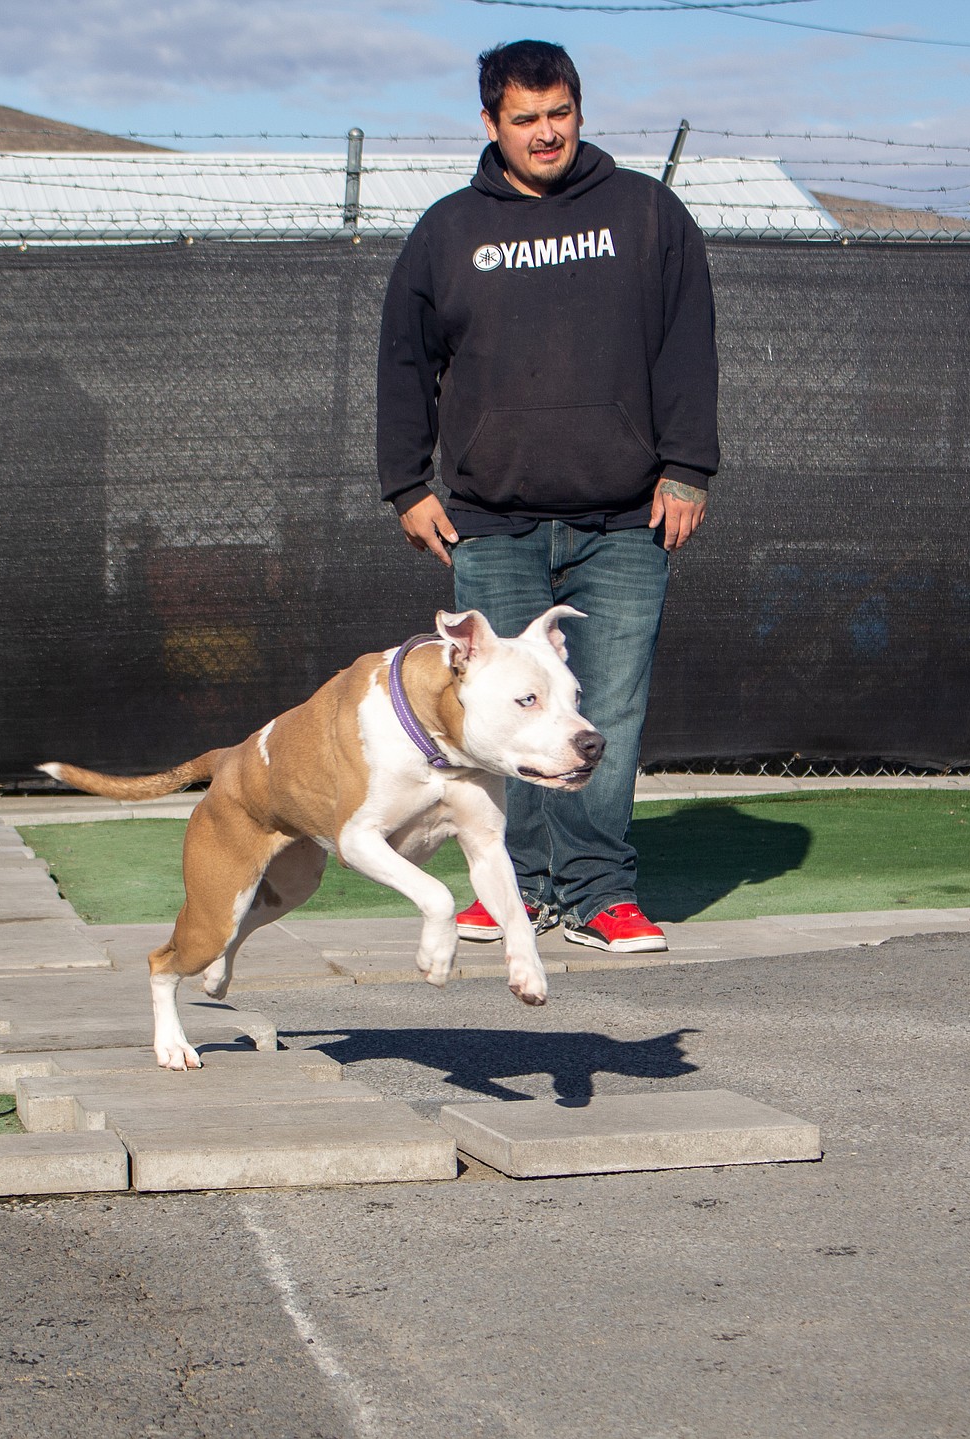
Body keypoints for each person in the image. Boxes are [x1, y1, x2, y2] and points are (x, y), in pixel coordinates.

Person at [376, 38, 719, 953]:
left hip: (624, 520)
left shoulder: (646, 214)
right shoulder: (448, 231)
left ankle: (602, 891)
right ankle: (511, 887)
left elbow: (688, 343)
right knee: (499, 720)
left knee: (608, 707)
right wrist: (406, 483)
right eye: (523, 118)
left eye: (558, 112)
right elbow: (405, 361)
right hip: (493, 522)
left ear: (579, 108)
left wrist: (688, 467)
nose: (545, 133)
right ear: (490, 123)